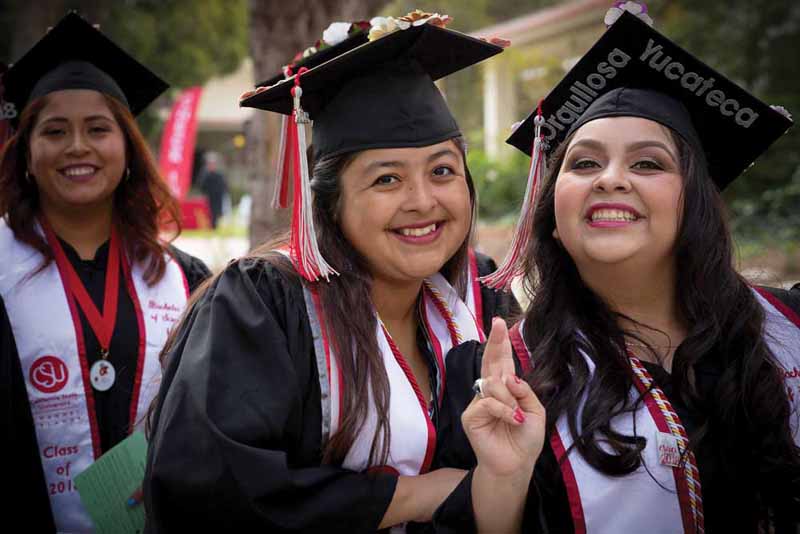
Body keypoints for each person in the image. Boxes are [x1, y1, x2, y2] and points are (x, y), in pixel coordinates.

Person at [431, 7, 800, 534]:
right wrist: (502, 480)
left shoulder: (788, 329)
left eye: (648, 163)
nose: (611, 179)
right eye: (583, 163)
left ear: (693, 203)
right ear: (553, 215)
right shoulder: (499, 381)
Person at [144, 14, 515, 534]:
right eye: (386, 179)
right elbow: (210, 492)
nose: (423, 201)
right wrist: (414, 495)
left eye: (442, 170)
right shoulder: (263, 304)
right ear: (330, 202)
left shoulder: (480, 297)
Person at [0, 13, 210, 532]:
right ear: (27, 154)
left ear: (127, 151)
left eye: (98, 129)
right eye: (54, 131)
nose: (77, 147)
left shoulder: (183, 278)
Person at [196, 151, 229, 229]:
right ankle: (210, 225)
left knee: (217, 212)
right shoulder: (205, 174)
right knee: (209, 211)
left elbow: (223, 185)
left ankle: (214, 225)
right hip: (209, 196)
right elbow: (201, 185)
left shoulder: (219, 174)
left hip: (218, 196)